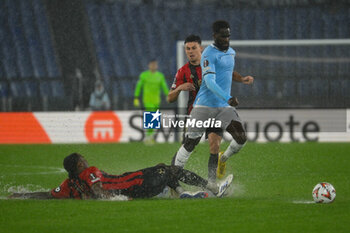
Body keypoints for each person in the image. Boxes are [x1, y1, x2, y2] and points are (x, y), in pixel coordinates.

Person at [172, 20, 254, 183]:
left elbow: (228, 72)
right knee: (190, 144)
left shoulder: (231, 52)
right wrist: (228, 97)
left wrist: (242, 78)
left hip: (223, 108)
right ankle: (172, 175)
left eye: (228, 36)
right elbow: (209, 82)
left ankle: (221, 162)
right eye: (223, 36)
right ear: (215, 36)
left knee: (241, 137)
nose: (226, 39)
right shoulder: (208, 54)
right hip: (204, 106)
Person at [9, 153, 233, 200]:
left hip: (133, 184)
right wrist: (114, 198)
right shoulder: (91, 172)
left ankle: (182, 193)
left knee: (162, 167)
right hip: (135, 184)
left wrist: (19, 195)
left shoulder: (69, 184)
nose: (86, 160)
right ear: (80, 164)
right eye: (83, 159)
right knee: (172, 170)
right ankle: (213, 187)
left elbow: (48, 195)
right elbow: (98, 191)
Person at [167, 34, 224, 183]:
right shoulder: (183, 71)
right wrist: (179, 88)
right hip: (195, 114)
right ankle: (172, 179)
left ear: (201, 49)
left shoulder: (212, 65)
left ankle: (212, 184)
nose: (190, 51)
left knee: (214, 144)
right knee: (188, 146)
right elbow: (170, 98)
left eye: (193, 48)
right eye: (187, 49)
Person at [134, 59, 169, 143]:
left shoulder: (160, 76)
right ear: (149, 65)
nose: (153, 66)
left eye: (155, 65)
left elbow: (164, 87)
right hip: (147, 100)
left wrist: (168, 95)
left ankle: (150, 135)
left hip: (156, 100)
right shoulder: (144, 75)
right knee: (151, 115)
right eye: (152, 65)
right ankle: (149, 136)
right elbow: (139, 86)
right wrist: (136, 97)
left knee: (154, 118)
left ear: (157, 66)